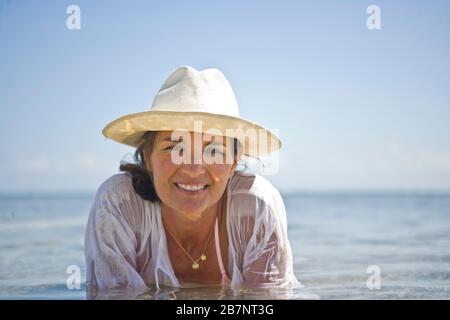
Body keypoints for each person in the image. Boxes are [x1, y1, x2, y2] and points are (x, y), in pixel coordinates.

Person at [84, 66, 301, 295]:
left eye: (214, 150)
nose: (194, 168)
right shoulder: (118, 202)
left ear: (234, 162)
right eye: (176, 147)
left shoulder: (257, 206)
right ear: (147, 156)